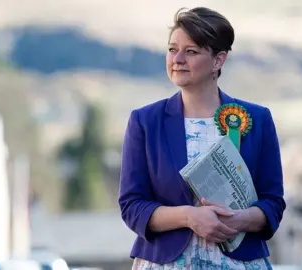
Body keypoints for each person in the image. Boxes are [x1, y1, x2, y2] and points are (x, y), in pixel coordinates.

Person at [118, 6, 286, 269]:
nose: (178, 59)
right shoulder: (144, 121)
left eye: (191, 51)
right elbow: (131, 206)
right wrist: (189, 217)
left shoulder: (258, 119)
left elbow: (273, 204)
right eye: (172, 49)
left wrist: (237, 220)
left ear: (218, 60)